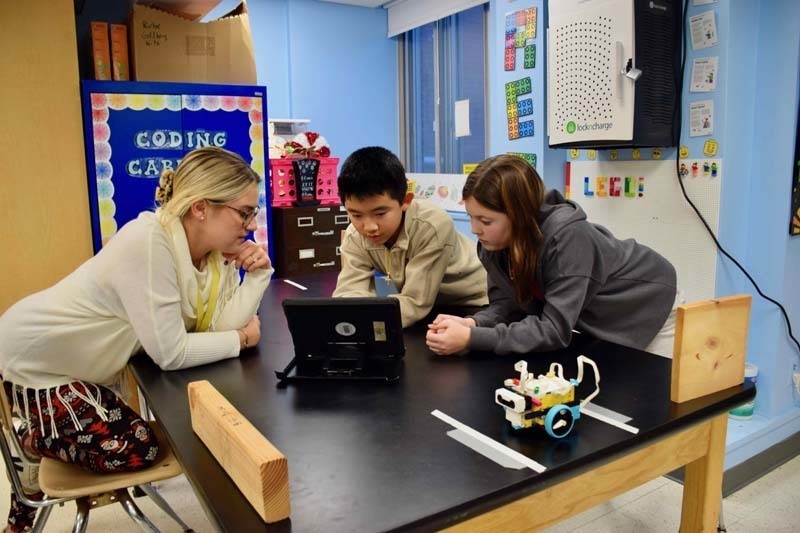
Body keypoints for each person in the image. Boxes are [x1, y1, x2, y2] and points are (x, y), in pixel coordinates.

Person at [0, 146, 272, 532]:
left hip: (84, 368)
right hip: (37, 364)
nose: (251, 223)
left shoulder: (206, 255)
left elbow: (214, 331)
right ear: (200, 208)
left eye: (253, 212)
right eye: (244, 212)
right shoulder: (148, 241)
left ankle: (31, 472)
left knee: (138, 435)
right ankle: (30, 444)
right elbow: (173, 352)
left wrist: (258, 277)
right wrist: (242, 340)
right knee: (137, 447)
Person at [426, 154, 678, 357]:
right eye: (471, 216)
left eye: (485, 220)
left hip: (648, 301)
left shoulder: (568, 238)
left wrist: (471, 339)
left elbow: (554, 330)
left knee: (655, 403)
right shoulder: (493, 244)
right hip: (599, 316)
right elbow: (506, 306)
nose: (474, 229)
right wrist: (473, 324)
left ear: (519, 215)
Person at [333, 146, 488, 327]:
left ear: (405, 201)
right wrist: (348, 318)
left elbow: (415, 301)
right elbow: (350, 292)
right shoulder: (354, 236)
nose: (369, 227)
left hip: (472, 305)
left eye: (380, 213)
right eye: (356, 215)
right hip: (422, 308)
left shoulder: (432, 225)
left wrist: (362, 321)